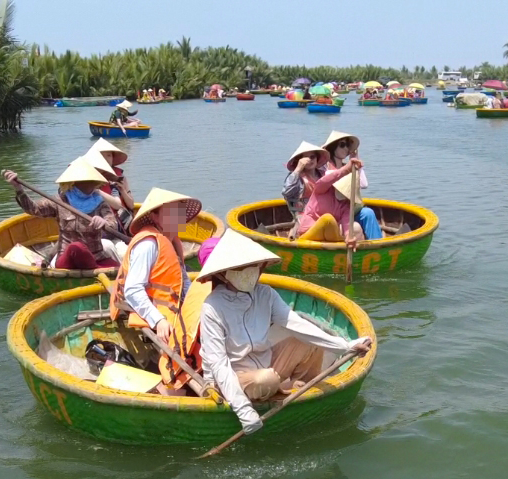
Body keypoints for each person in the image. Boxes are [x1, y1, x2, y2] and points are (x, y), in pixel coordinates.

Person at [197, 229, 372, 434]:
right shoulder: (212, 307)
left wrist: (345, 346)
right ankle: (267, 393)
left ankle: (300, 391)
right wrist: (243, 409)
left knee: (308, 343)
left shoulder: (265, 294)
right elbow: (219, 364)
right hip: (233, 376)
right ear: (223, 274)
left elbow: (297, 324)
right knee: (266, 380)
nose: (250, 271)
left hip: (266, 363)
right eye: (241, 268)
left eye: (252, 265)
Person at [108, 188, 203, 394]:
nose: (179, 216)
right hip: (145, 309)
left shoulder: (170, 241)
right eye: (172, 211)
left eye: (180, 211)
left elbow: (183, 283)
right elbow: (133, 290)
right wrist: (157, 319)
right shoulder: (149, 243)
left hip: (169, 306)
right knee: (186, 341)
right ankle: (173, 382)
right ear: (155, 215)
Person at [2, 158, 120, 271]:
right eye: (86, 181)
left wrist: (104, 222)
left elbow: (112, 224)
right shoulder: (60, 201)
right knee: (76, 247)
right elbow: (34, 209)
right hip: (68, 259)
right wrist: (19, 189)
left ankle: (95, 269)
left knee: (122, 269)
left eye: (92, 182)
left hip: (96, 257)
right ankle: (96, 270)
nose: (90, 185)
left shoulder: (99, 202)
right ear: (74, 182)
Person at [320, 130, 383, 241]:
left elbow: (363, 184)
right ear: (332, 147)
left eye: (348, 145)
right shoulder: (326, 169)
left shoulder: (349, 166)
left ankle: (377, 244)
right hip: (334, 213)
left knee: (368, 213)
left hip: (349, 211)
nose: (346, 149)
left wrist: (356, 161)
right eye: (342, 145)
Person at [86, 139, 134, 230]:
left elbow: (129, 205)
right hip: (94, 219)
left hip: (117, 221)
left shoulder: (119, 177)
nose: (108, 158)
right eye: (104, 155)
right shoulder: (87, 176)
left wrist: (123, 190)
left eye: (109, 155)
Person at [281, 141, 328, 233]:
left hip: (323, 213)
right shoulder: (296, 177)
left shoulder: (322, 174)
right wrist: (298, 169)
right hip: (303, 216)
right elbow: (286, 191)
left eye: (312, 157)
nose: (310, 160)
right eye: (305, 158)